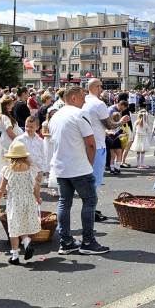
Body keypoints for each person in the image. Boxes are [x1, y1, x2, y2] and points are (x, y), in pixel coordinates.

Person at [49, 86, 108, 255]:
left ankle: (66, 241)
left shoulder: (55, 115)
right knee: (89, 201)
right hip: (78, 166)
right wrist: (89, 164)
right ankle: (88, 241)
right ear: (73, 98)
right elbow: (91, 143)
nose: (84, 102)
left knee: (64, 202)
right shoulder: (79, 114)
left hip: (61, 166)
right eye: (82, 99)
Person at [0, 141, 42, 265]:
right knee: (23, 223)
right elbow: (35, 187)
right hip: (28, 200)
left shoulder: (9, 170)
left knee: (14, 228)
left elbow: (2, 189)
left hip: (15, 201)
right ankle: (27, 242)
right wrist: (38, 198)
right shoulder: (31, 168)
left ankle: (15, 256)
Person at [0, 96, 19, 180]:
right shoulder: (5, 117)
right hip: (8, 142)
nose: (13, 106)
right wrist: (18, 141)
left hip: (4, 141)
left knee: (4, 163)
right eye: (11, 104)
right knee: (8, 164)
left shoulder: (0, 116)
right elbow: (10, 132)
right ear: (7, 105)